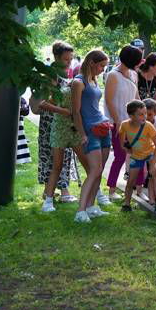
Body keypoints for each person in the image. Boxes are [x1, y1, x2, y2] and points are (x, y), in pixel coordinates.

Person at [37, 41, 81, 211]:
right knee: (51, 155)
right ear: (56, 57)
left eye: (70, 59)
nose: (69, 62)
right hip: (52, 121)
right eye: (65, 59)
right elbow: (43, 102)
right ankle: (54, 190)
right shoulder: (51, 75)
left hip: (63, 120)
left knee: (64, 155)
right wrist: (63, 111)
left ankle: (60, 189)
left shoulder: (65, 72)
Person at [70, 49, 112, 223]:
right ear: (92, 62)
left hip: (103, 127)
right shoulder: (78, 82)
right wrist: (82, 134)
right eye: (101, 65)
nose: (103, 69)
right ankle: (80, 212)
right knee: (94, 170)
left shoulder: (93, 80)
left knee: (99, 170)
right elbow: (75, 111)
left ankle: (91, 206)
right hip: (90, 131)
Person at [104, 44, 143, 200]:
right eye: (138, 60)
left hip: (134, 122)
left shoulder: (133, 74)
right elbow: (109, 100)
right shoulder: (113, 75)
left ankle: (139, 190)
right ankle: (112, 190)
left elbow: (136, 97)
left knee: (140, 155)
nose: (140, 63)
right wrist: (118, 121)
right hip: (117, 123)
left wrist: (143, 115)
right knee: (120, 157)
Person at [118, 100, 156, 214]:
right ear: (131, 116)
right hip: (136, 156)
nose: (144, 116)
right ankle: (127, 204)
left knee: (155, 173)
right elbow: (122, 142)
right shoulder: (124, 125)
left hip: (150, 153)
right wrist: (127, 149)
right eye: (141, 114)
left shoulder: (148, 126)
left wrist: (153, 163)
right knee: (131, 181)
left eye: (145, 113)